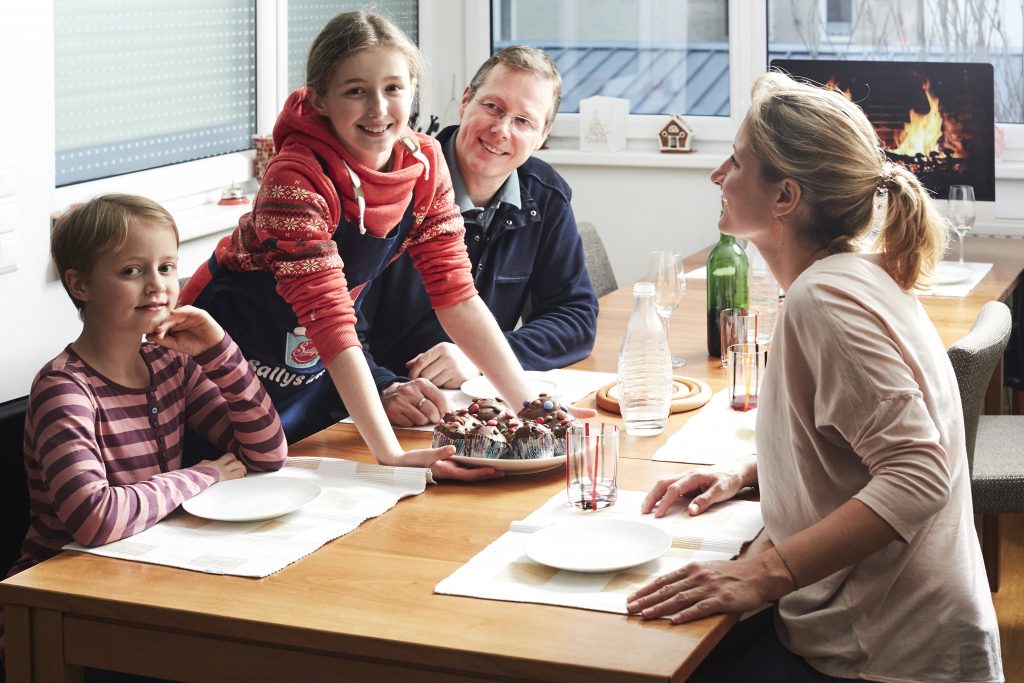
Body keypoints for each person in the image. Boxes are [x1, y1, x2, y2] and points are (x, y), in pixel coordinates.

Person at [626, 72, 1003, 682]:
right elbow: (852, 438)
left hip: (883, 656)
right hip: (890, 634)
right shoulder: (857, 274)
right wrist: (754, 471)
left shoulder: (822, 301)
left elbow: (918, 475)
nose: (718, 176)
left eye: (736, 162)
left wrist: (762, 574)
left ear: (785, 197)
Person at [180, 13, 573, 480]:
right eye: (355, 91)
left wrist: (532, 410)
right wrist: (391, 456)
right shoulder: (295, 178)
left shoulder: (424, 164)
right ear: (320, 99)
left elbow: (457, 296)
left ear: (412, 90)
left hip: (308, 367)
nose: (378, 109)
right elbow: (330, 320)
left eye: (393, 88)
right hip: (219, 365)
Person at [2, 194, 287, 654]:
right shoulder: (65, 390)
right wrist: (205, 475)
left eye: (166, 267)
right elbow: (96, 519)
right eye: (132, 271)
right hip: (59, 605)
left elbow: (267, 454)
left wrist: (219, 349)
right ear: (80, 284)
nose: (157, 285)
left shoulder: (170, 364)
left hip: (144, 575)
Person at [356, 46, 598, 428]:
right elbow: (335, 325)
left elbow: (575, 318)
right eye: (493, 107)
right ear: (466, 100)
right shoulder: (395, 186)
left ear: (543, 135)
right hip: (378, 413)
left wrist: (479, 359)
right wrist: (384, 386)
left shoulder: (544, 195)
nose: (501, 130)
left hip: (471, 413)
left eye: (523, 121)